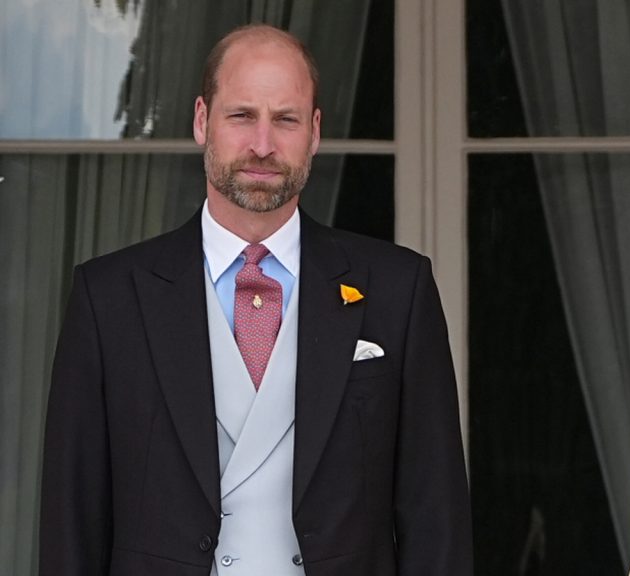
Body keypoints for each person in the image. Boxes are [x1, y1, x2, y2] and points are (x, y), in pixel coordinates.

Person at [39, 24, 472, 576]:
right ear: (202, 120)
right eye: (242, 115)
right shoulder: (109, 298)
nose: (263, 145)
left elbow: (436, 518)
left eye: (286, 119)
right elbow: (71, 522)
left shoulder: (397, 288)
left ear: (315, 131)